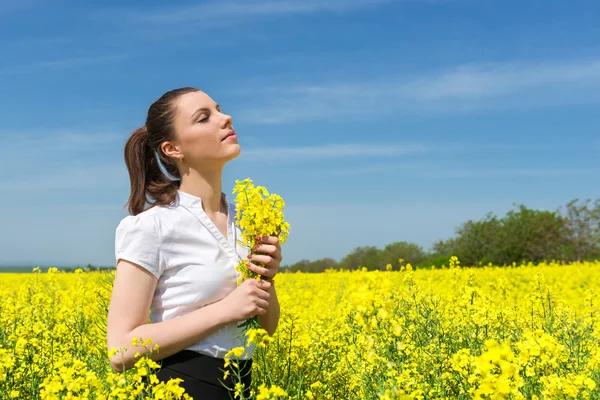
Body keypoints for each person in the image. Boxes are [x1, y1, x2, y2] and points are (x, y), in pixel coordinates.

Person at [106, 87, 282, 399]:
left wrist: (266, 278)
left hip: (242, 386)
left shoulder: (249, 220)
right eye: (204, 118)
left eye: (219, 109)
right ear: (173, 148)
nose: (225, 118)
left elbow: (265, 328)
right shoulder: (152, 227)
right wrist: (225, 310)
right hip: (179, 385)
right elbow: (120, 350)